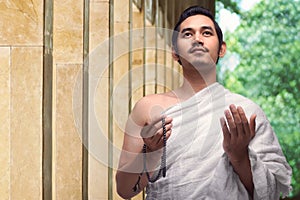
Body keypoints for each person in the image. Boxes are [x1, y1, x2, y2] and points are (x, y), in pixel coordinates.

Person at [116, 6, 292, 200]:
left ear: (222, 49)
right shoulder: (147, 108)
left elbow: (272, 191)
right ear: (174, 52)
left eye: (206, 33)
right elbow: (125, 191)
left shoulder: (246, 111)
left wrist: (240, 155)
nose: (197, 39)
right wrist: (149, 153)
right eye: (188, 34)